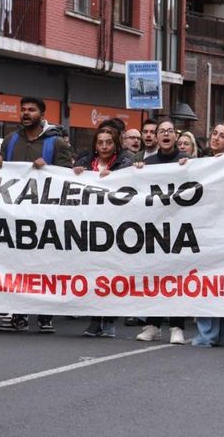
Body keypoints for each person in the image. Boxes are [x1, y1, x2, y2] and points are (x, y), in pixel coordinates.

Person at [0, 97, 74, 334]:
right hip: (15, 213)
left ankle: (45, 314)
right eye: (23, 110)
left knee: (45, 264)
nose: (25, 113)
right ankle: (18, 312)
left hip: (46, 214)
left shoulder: (57, 143)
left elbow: (67, 177)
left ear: (42, 114)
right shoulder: (10, 141)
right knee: (17, 264)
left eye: (31, 110)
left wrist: (49, 169)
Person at [72, 127, 133, 338]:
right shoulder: (86, 162)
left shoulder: (125, 162)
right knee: (92, 274)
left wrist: (116, 176)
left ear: (115, 144)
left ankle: (109, 320)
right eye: (100, 143)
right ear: (95, 145)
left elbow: (133, 183)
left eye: (108, 142)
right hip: (90, 226)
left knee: (112, 274)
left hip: (115, 227)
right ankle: (94, 319)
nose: (104, 146)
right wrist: (77, 172)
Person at [135, 119, 189, 345]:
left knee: (177, 276)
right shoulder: (148, 162)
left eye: (169, 131)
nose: (165, 134)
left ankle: (177, 326)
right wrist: (137, 171)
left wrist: (191, 167)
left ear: (175, 137)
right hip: (154, 227)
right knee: (155, 275)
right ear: (156, 137)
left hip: (179, 227)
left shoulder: (185, 161)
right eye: (161, 131)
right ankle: (153, 325)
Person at [192, 122, 224, 348]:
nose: (216, 138)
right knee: (207, 281)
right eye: (214, 133)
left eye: (222, 136)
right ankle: (206, 335)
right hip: (207, 229)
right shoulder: (202, 162)